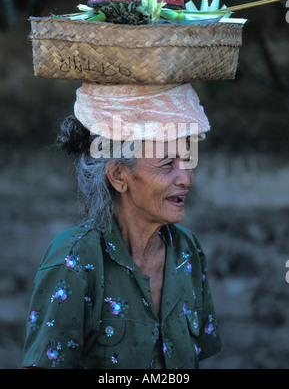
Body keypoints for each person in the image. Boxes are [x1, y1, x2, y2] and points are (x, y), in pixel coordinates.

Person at [22, 83, 222, 369]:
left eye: (187, 161)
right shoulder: (74, 258)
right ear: (118, 176)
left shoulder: (188, 252)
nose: (186, 179)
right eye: (168, 165)